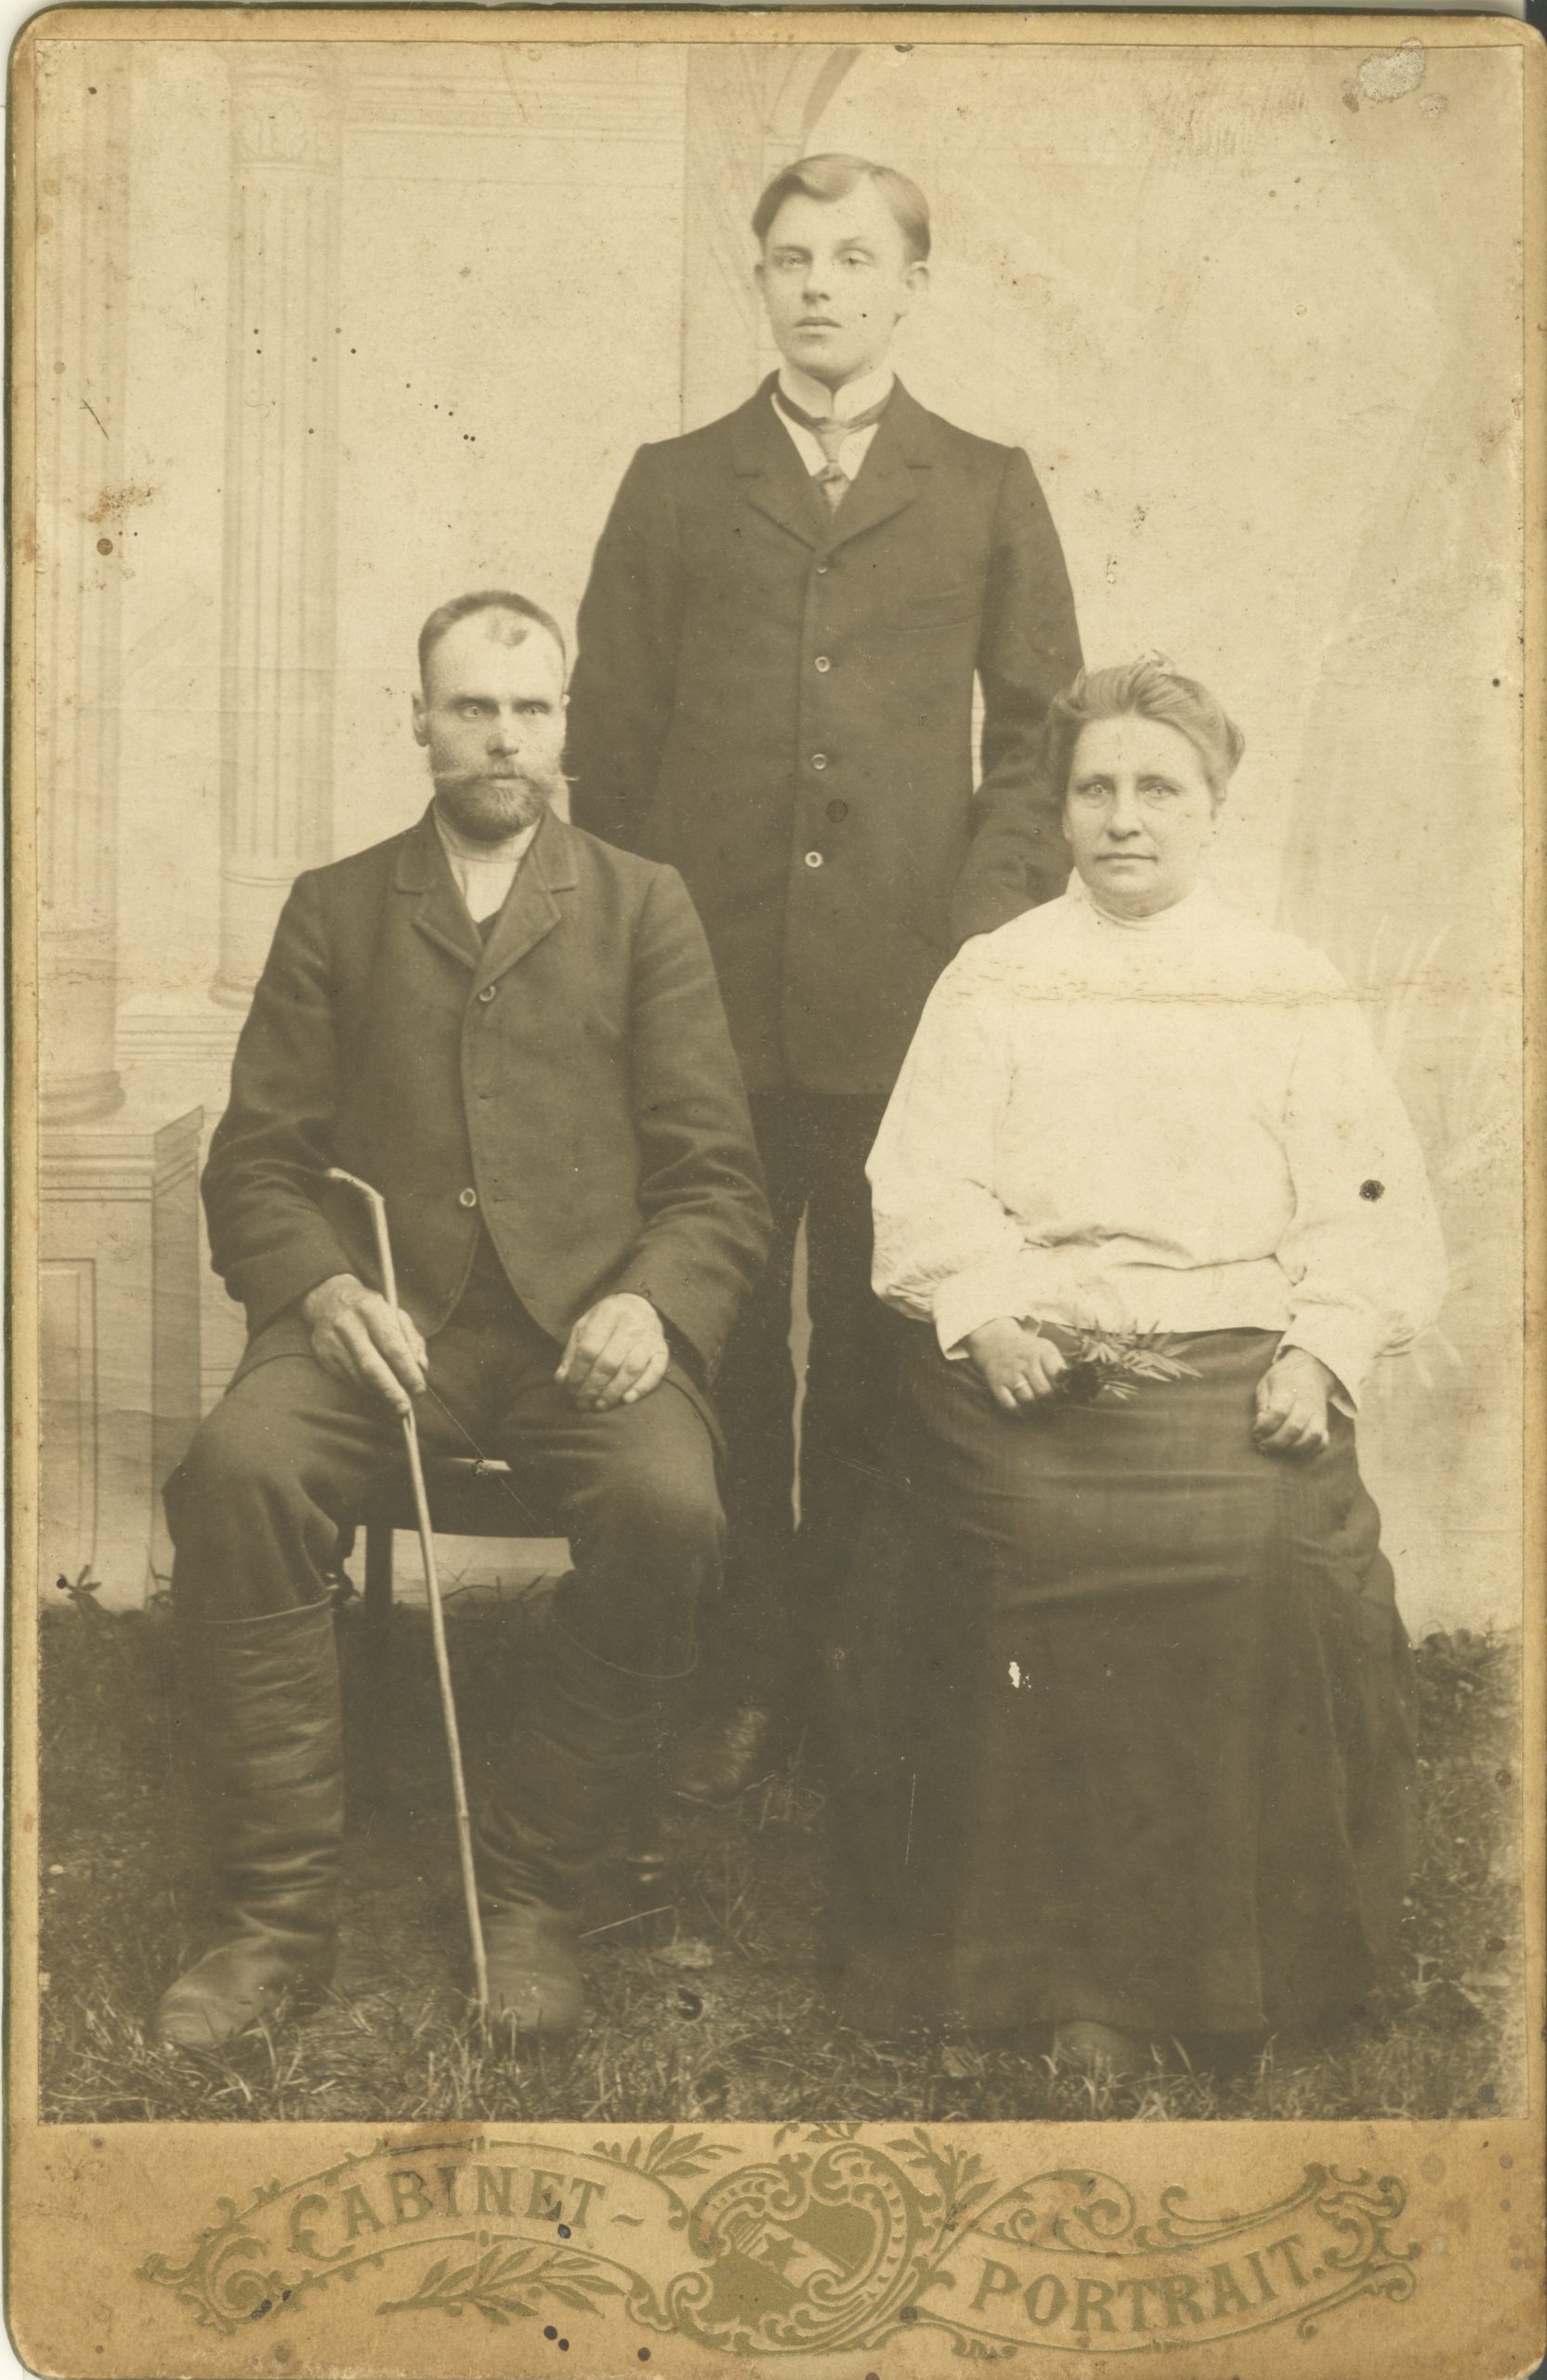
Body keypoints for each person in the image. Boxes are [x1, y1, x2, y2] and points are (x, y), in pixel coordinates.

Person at [157, 591, 770, 2048]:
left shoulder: (642, 902)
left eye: (531, 710)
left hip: (581, 1345)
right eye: (473, 708)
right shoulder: (339, 901)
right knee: (239, 1473)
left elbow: (716, 1180)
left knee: (671, 1510)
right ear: (418, 720)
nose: (505, 738)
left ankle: (534, 1894)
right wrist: (323, 1287)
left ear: (565, 723)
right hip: (385, 1332)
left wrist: (647, 1300)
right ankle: (273, 1918)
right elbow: (256, 1159)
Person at [826, 658, 1446, 2069]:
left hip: (1234, 1357)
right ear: (1059, 810)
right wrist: (984, 1314)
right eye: (1094, 788)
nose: (1122, 818)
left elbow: (1369, 1207)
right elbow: (922, 1189)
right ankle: (1047, 1980)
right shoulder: (994, 976)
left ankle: (1254, 1972)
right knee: (1030, 1544)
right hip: (1038, 1358)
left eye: (1156, 787)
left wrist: (1322, 1352)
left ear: (1212, 805)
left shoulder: (1283, 985)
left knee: (1263, 1555)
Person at [566, 153, 1082, 1802]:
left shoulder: (987, 482)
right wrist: (654, 951)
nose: (818, 286)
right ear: (762, 281)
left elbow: (1048, 737)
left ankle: (858, 1687)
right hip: (703, 1002)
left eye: (854, 258)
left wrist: (973, 940)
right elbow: (608, 751)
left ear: (910, 283)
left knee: (874, 1348)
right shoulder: (672, 480)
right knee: (720, 1342)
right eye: (790, 257)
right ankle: (736, 1665)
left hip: (905, 1011)